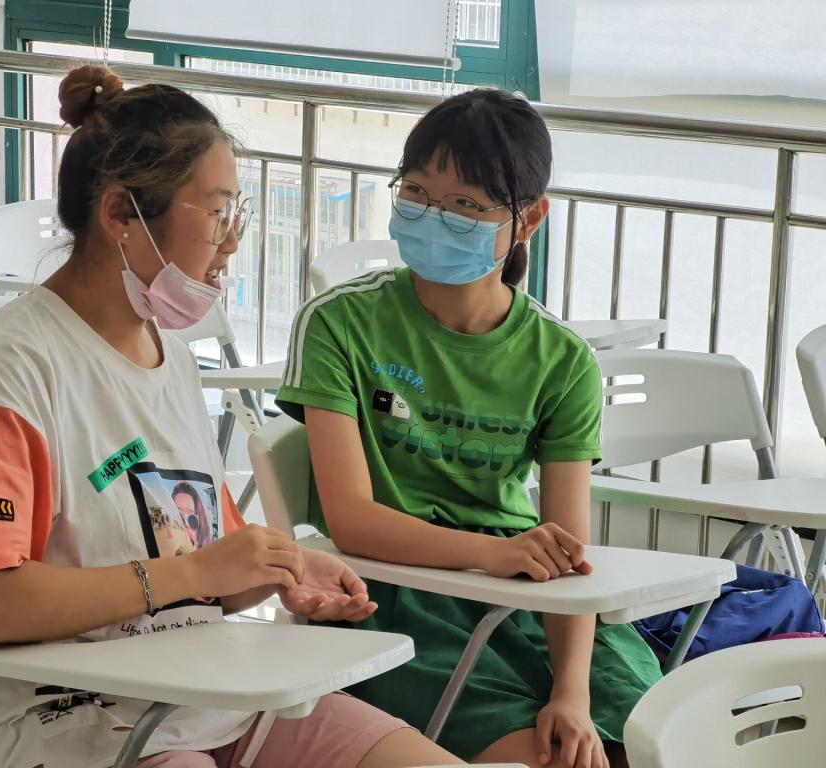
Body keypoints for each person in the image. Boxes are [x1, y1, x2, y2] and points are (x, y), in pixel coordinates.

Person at [0, 65, 463, 768]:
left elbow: (202, 564)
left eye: (236, 214)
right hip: (57, 713)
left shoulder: (168, 356)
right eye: (217, 214)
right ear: (120, 215)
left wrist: (278, 570)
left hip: (199, 691)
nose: (232, 243)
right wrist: (193, 572)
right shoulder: (7, 369)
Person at [275, 89, 662, 768]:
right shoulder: (339, 323)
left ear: (529, 218)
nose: (434, 216)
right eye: (416, 192)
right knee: (541, 758)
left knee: (649, 742)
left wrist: (571, 691)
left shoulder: (562, 359)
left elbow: (569, 553)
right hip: (392, 597)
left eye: (465, 204)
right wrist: (493, 554)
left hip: (525, 596)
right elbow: (354, 522)